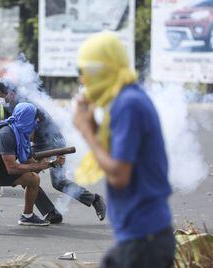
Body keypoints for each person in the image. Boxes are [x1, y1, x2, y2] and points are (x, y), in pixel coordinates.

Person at [73, 32, 175, 268]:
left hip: (144, 239)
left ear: (101, 70)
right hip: (141, 235)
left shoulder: (128, 104)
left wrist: (86, 132)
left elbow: (119, 175)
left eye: (86, 72)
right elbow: (118, 156)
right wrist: (95, 128)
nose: (82, 80)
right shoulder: (125, 100)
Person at [0, 80, 106, 223]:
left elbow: (30, 131)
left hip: (52, 142)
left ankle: (94, 200)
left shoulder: (27, 105)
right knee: (29, 178)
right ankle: (50, 212)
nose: (1, 100)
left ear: (10, 93)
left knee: (52, 181)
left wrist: (19, 151)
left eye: (2, 96)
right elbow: (9, 127)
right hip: (38, 144)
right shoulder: (10, 106)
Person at [0, 103, 65, 234]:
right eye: (34, 119)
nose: (36, 123)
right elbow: (12, 168)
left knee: (33, 179)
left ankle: (27, 216)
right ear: (26, 119)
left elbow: (29, 164)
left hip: (0, 171)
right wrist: (40, 165)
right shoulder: (7, 135)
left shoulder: (21, 136)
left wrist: (51, 163)